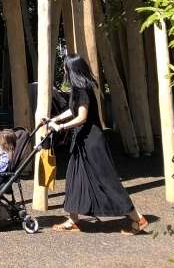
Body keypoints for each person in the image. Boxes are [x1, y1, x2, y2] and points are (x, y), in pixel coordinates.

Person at [46, 53, 149, 235]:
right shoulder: (78, 88)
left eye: (65, 66)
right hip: (81, 141)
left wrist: (60, 127)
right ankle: (73, 220)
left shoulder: (82, 89)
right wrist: (52, 119)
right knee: (74, 178)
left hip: (92, 142)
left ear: (71, 69)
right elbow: (72, 110)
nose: (63, 68)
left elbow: (81, 117)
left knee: (107, 180)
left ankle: (138, 218)